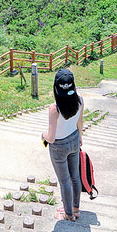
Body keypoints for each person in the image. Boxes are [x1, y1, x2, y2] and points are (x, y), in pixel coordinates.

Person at [41, 69, 84, 221]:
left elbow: (51, 138)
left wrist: (42, 136)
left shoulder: (55, 108)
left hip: (58, 146)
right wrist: (80, 137)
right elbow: (79, 121)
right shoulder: (79, 99)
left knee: (65, 181)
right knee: (75, 178)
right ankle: (76, 209)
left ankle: (68, 214)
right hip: (74, 140)